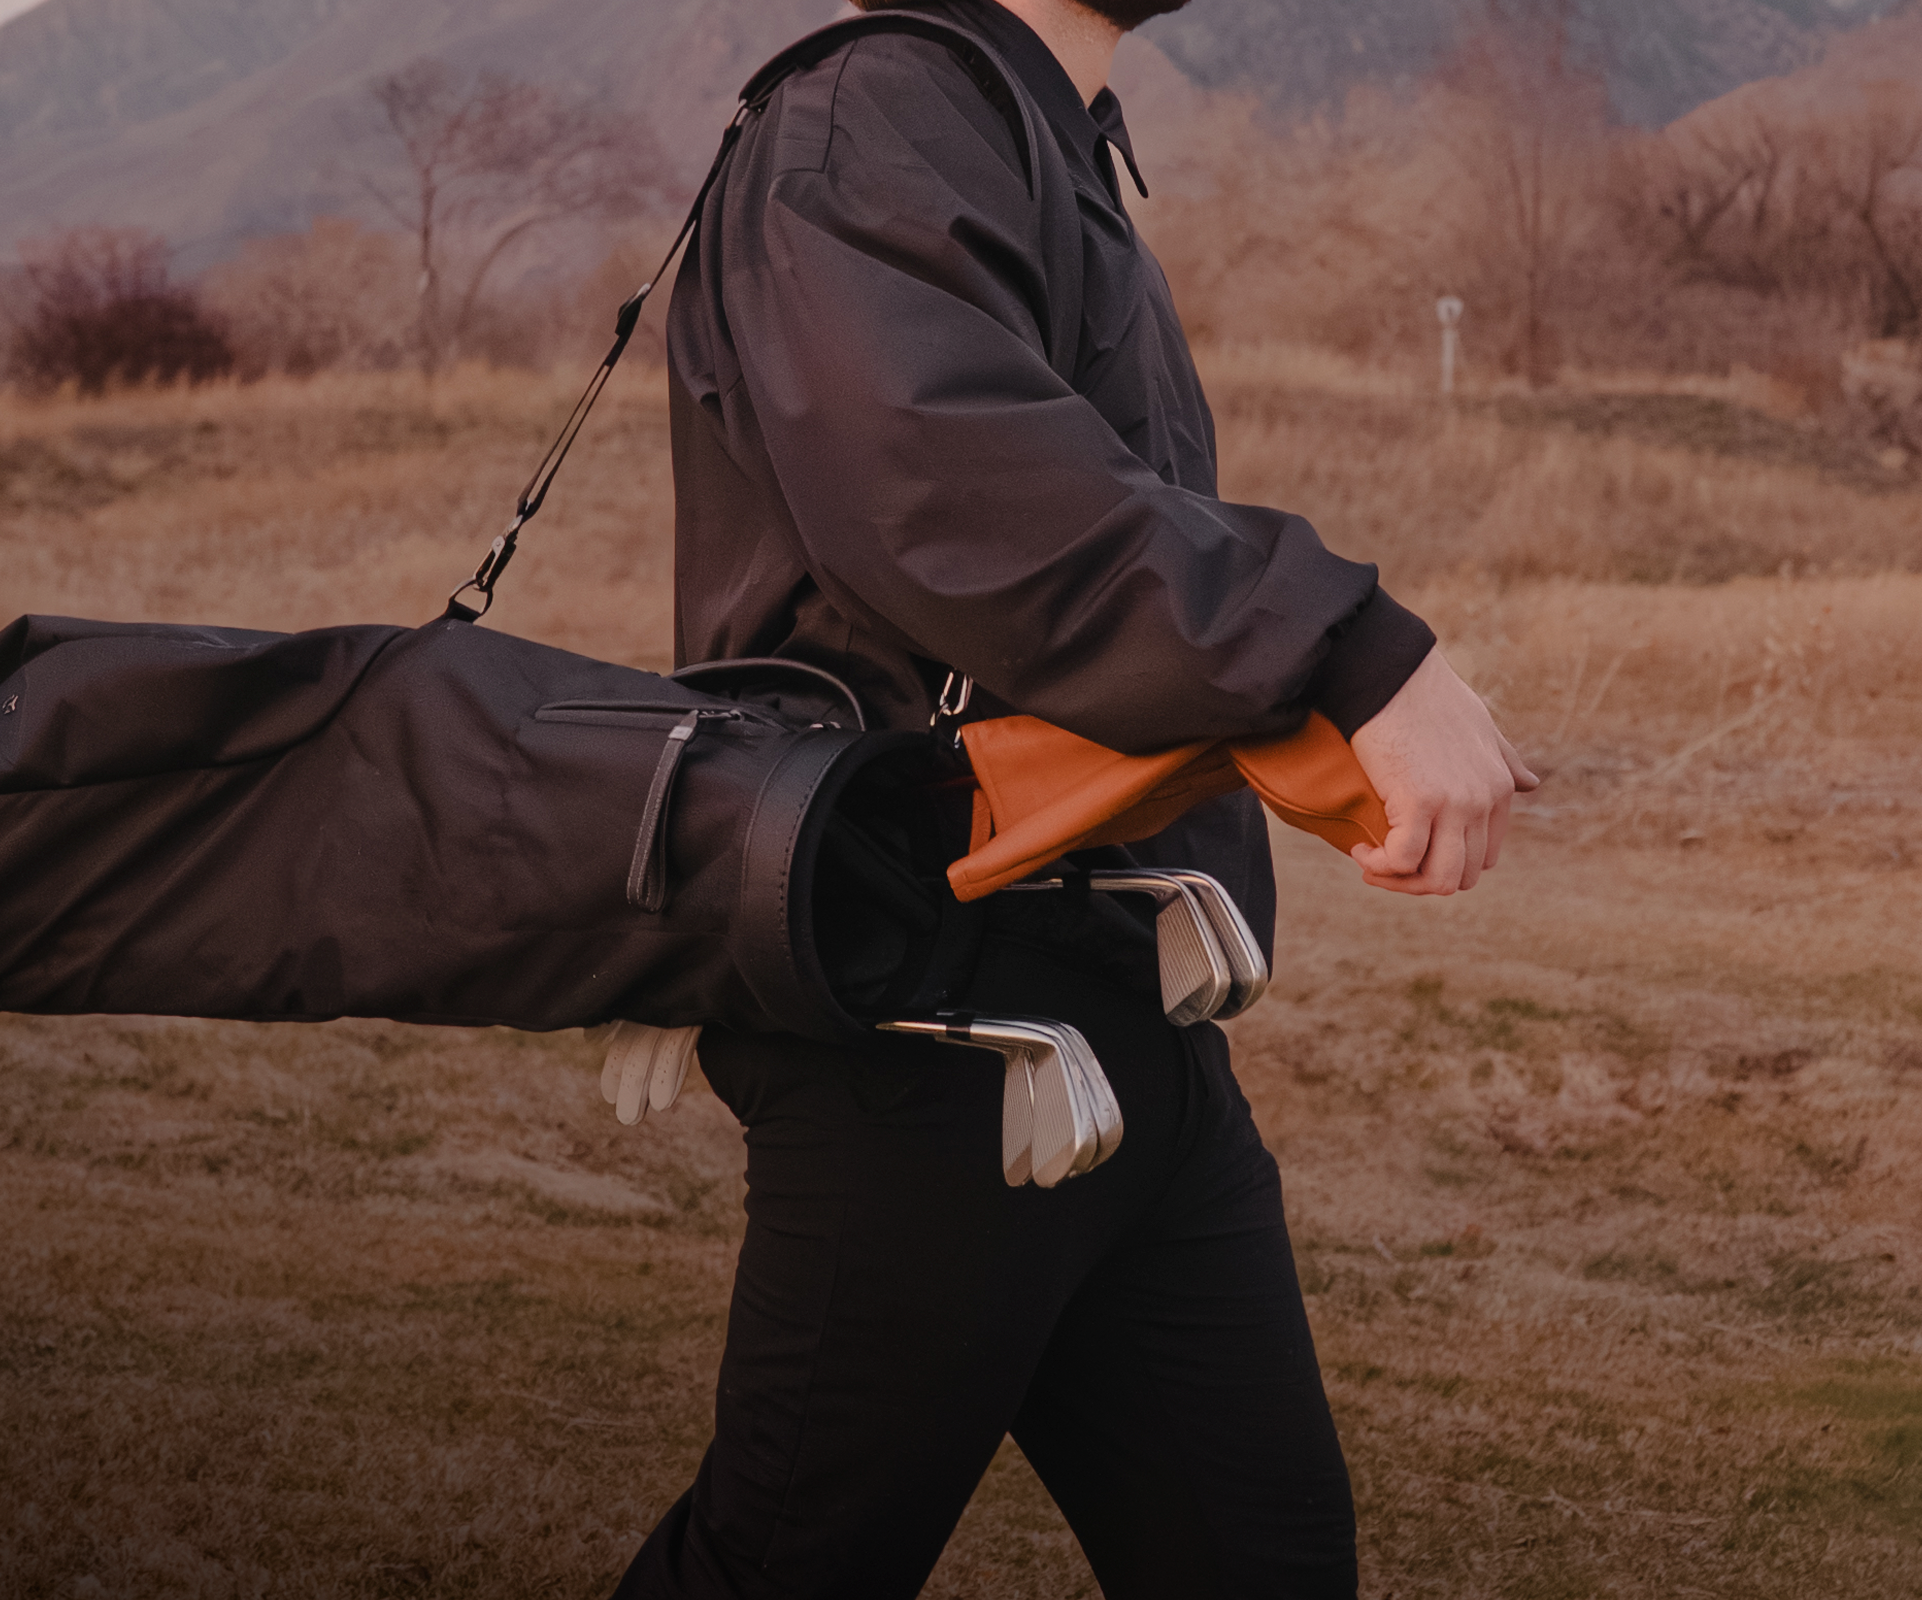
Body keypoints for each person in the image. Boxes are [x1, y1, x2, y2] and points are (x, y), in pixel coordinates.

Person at [613, 1, 1539, 1595]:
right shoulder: (873, 113)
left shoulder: (1033, 130)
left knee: (1268, 1563)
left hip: (1134, 1035)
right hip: (935, 1027)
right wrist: (1351, 645)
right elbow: (954, 491)